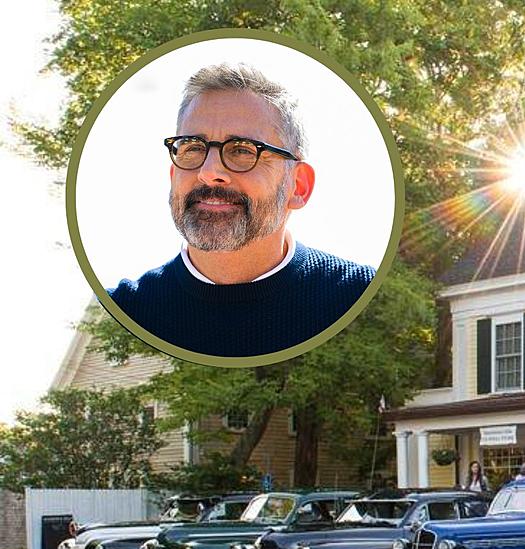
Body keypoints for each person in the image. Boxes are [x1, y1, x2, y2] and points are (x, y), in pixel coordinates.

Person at [107, 63, 376, 357]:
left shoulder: (357, 295)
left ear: (297, 186)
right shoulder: (124, 310)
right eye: (193, 148)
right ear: (173, 177)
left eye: (243, 150)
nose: (208, 172)